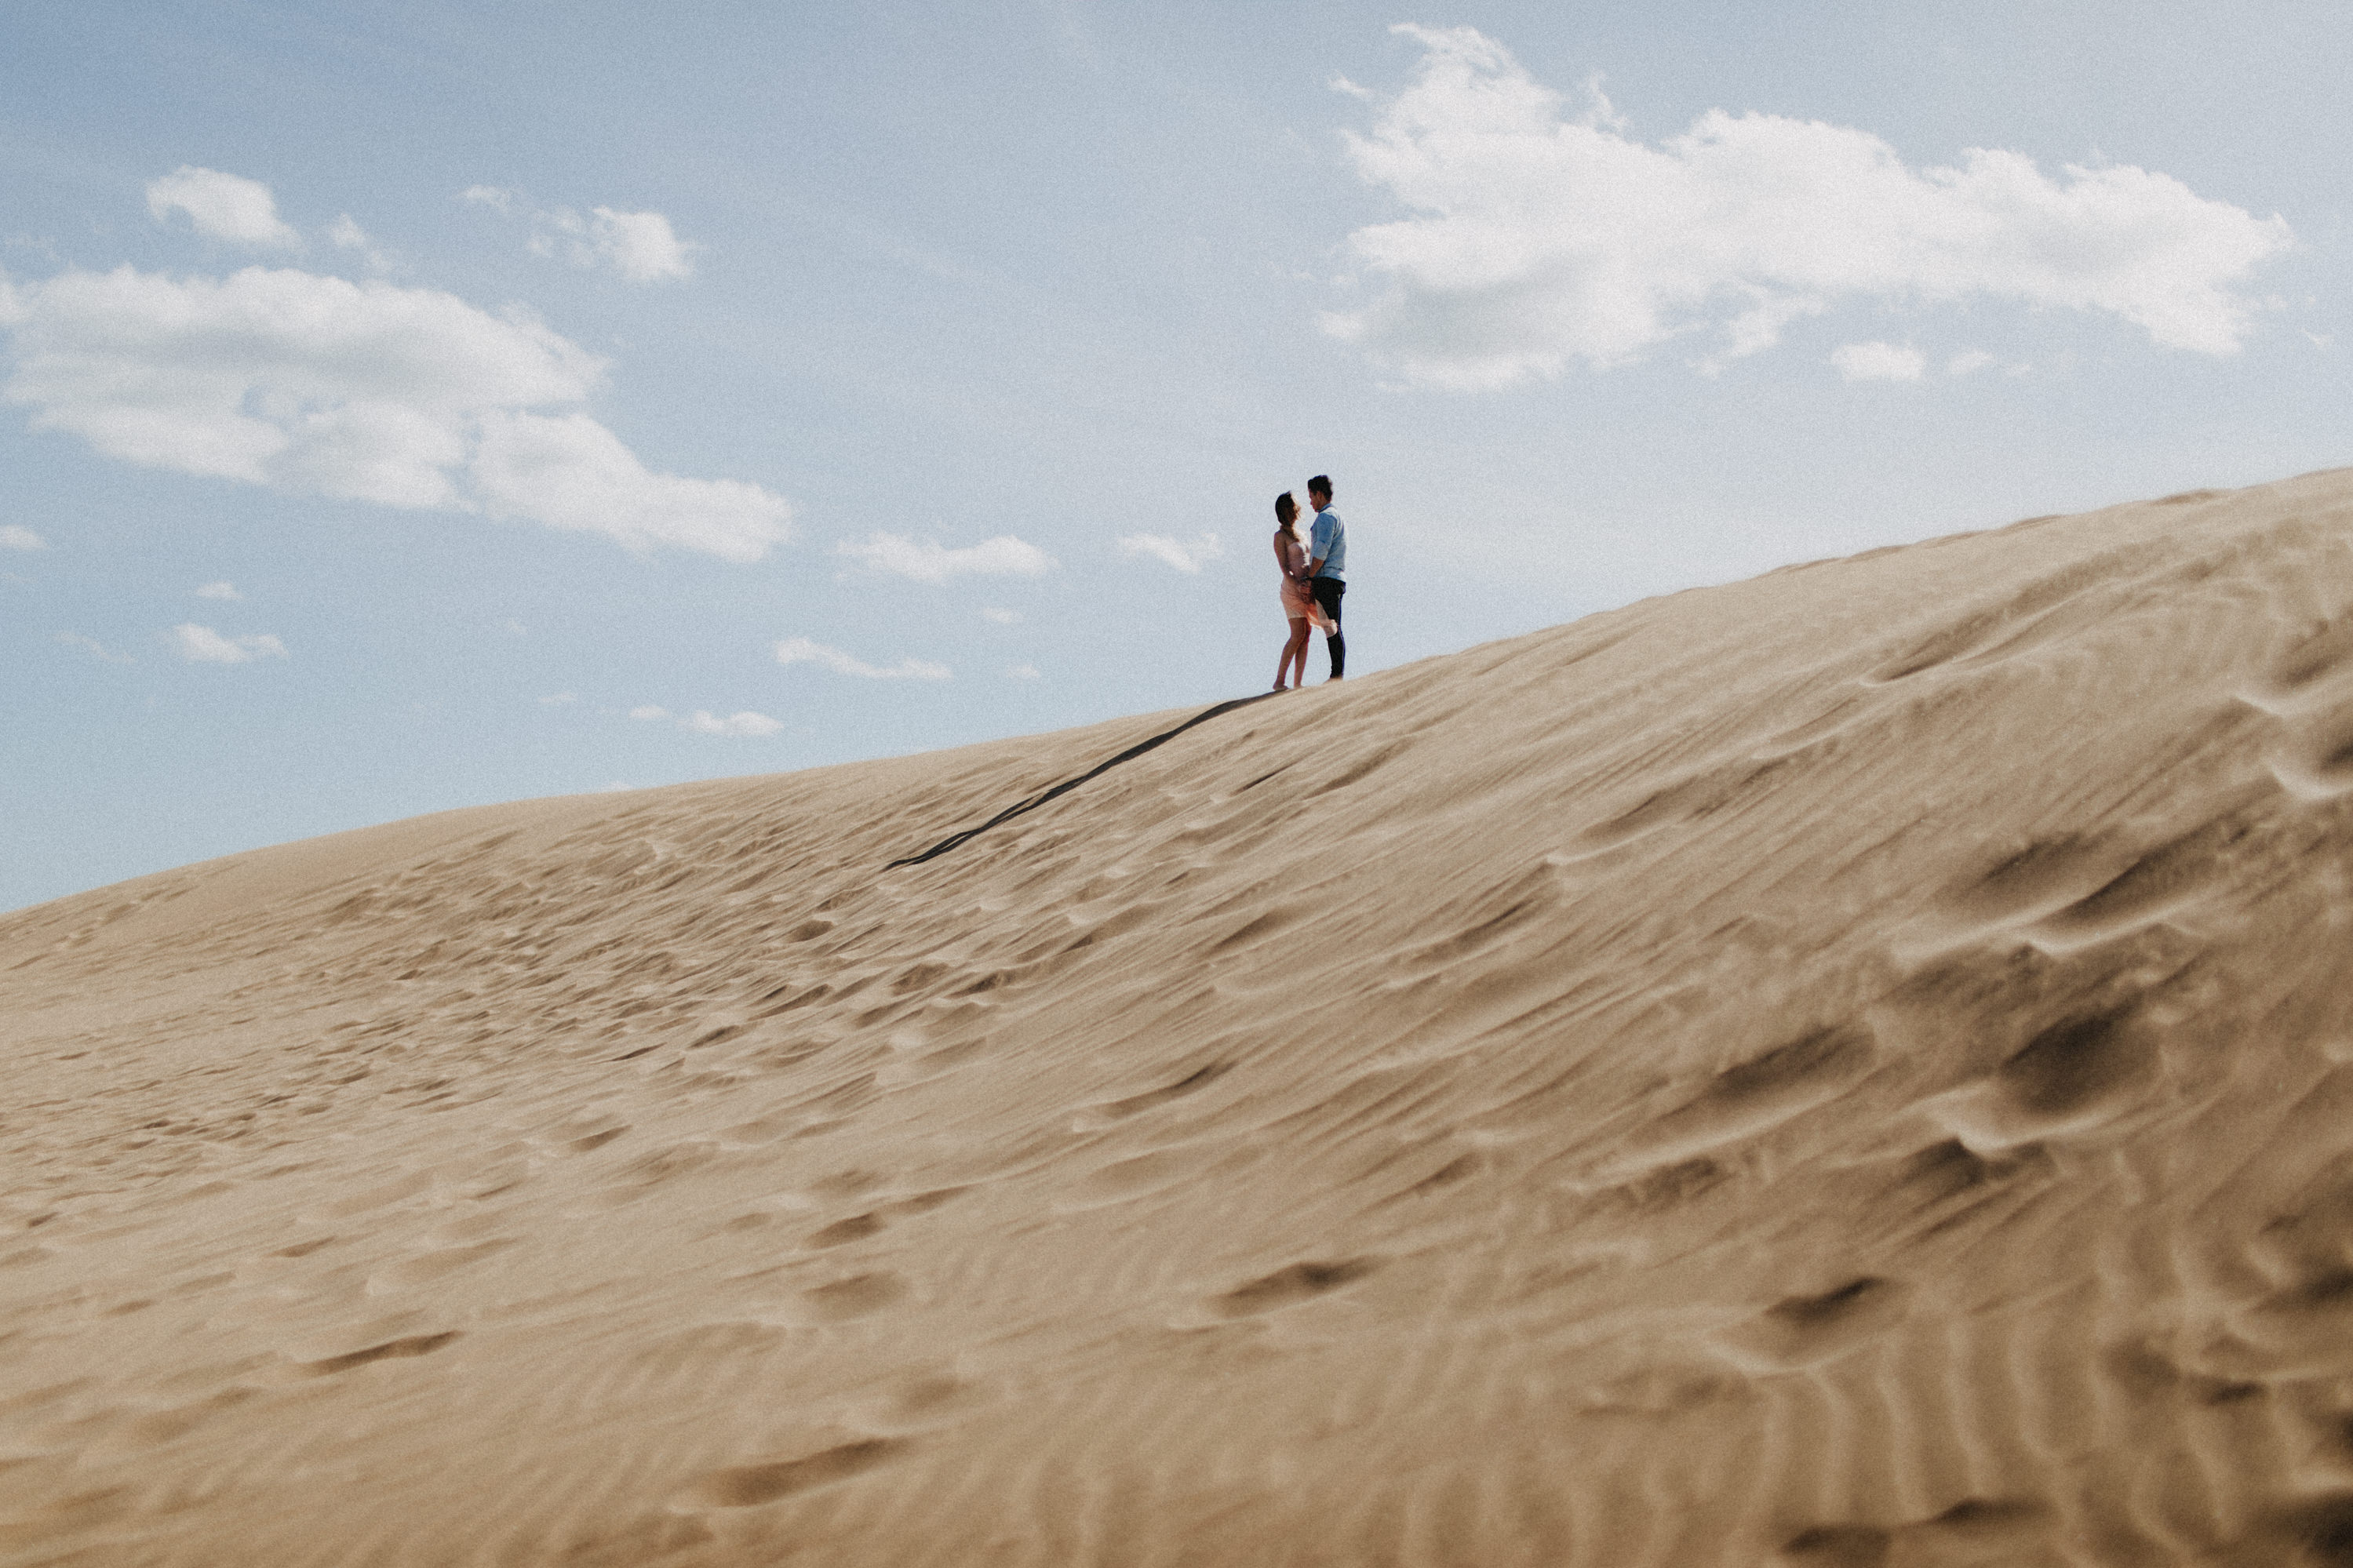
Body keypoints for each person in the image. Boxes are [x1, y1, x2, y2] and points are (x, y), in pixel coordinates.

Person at [1271, 492, 1330, 690]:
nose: (1298, 510)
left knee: (1306, 634)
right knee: (1297, 634)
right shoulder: (1280, 536)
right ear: (1287, 511)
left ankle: (1297, 684)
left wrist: (1310, 583)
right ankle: (1279, 681)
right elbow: (1284, 566)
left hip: (1306, 588)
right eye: (1294, 507)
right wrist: (1297, 584)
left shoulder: (1302, 534)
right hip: (1291, 589)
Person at [1304, 475, 1346, 680]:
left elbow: (1321, 551)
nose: (1310, 501)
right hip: (1334, 577)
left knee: (1331, 626)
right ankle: (1336, 672)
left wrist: (1309, 577)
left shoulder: (1326, 517)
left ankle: (1336, 674)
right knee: (1332, 625)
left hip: (1327, 579)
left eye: (1311, 496)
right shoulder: (1334, 515)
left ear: (1319, 494)